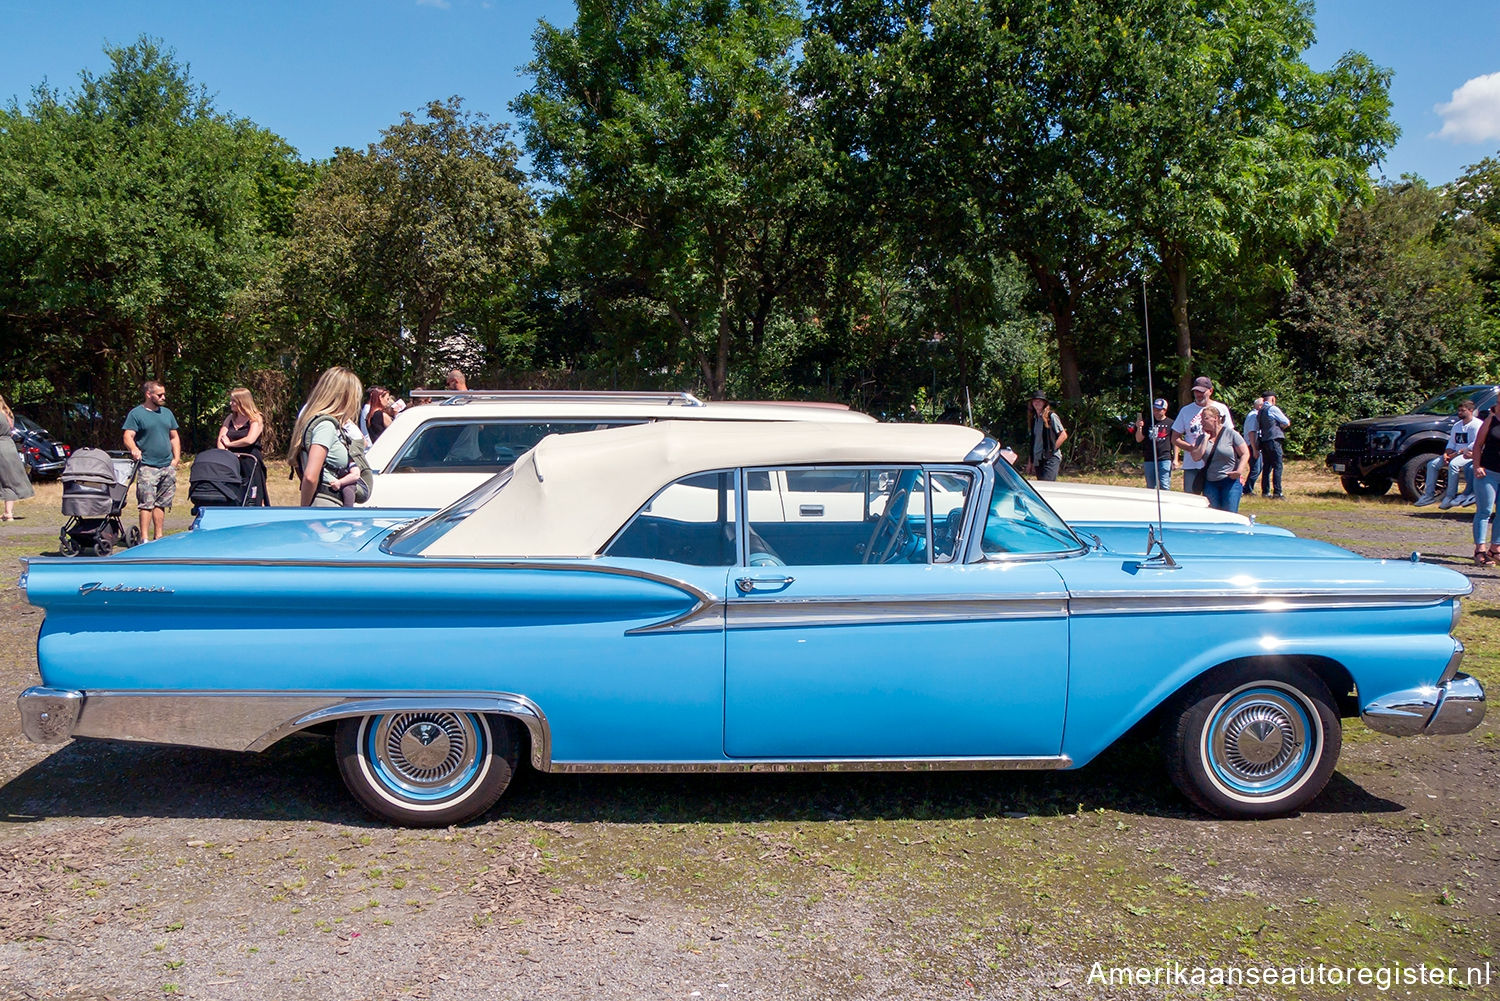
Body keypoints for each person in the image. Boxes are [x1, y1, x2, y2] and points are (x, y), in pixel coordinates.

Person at [288, 366, 364, 507]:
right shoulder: (326, 426)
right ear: (346, 397)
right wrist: (305, 510)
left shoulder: (313, 422)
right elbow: (311, 476)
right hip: (326, 503)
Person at [122, 380, 181, 541]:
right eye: (159, 395)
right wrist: (133, 449)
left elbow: (174, 437)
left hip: (167, 466)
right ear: (149, 394)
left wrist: (175, 459)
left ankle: (159, 536)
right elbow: (128, 436)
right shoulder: (136, 414)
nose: (163, 397)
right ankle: (144, 538)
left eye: (164, 394)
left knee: (161, 503)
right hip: (148, 466)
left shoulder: (167, 413)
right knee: (146, 503)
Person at [1171, 376, 1231, 495]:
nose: (1199, 395)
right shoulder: (1186, 411)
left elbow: (1230, 435)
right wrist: (1190, 448)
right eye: (1196, 392)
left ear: (1211, 391)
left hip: (1216, 464)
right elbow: (1175, 438)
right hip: (1192, 464)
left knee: (1212, 502)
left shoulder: (1221, 409)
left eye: (1202, 392)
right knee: (1191, 500)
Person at [1417, 398, 1481, 509]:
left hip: (1469, 454)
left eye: (1463, 410)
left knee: (1454, 465)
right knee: (1432, 464)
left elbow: (1475, 445)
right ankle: (1428, 495)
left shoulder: (1477, 425)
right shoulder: (1457, 426)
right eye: (1459, 410)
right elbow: (1452, 443)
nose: (1459, 413)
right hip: (1455, 453)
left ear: (1471, 410)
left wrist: (1456, 454)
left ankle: (1450, 496)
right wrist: (1446, 454)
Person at [1191, 404, 1251, 513]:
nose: (1202, 422)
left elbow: (1245, 453)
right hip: (1210, 482)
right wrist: (1205, 439)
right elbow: (1196, 457)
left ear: (1216, 419)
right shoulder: (1201, 438)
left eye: (1205, 418)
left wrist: (1239, 471)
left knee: (1230, 515)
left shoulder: (1230, 434)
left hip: (1230, 481)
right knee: (1213, 516)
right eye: (1201, 419)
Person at [216, 387, 269, 506]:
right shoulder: (230, 418)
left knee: (253, 493)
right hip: (231, 460)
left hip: (250, 460)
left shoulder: (255, 418)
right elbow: (221, 438)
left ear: (242, 402)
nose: (230, 403)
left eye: (233, 401)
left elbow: (250, 439)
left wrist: (230, 444)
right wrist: (225, 452)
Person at [1469, 396, 1500, 564]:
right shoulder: (1491, 420)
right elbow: (1478, 445)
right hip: (1487, 473)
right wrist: (1476, 466)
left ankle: (1495, 549)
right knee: (1484, 511)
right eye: (1499, 402)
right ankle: (1479, 549)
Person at [0, 393, 35, 521]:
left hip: (1, 447)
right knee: (8, 480)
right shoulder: (8, 414)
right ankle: (8, 513)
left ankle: (8, 513)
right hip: (9, 446)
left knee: (5, 481)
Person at [1133, 398, 1177, 489]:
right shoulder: (1148, 422)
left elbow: (1175, 441)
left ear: (1164, 410)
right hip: (1149, 458)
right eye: (1154, 409)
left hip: (1164, 458)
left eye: (1158, 410)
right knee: (1150, 486)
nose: (1156, 412)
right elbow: (1139, 439)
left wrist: (1176, 459)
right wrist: (1139, 428)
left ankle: (1165, 501)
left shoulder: (1171, 423)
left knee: (1164, 484)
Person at [1024, 390, 1067, 481]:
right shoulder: (1034, 419)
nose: (1037, 402)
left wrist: (1051, 450)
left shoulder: (1051, 416)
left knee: (1048, 484)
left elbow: (1063, 435)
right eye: (1035, 400)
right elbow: (1034, 442)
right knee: (1042, 486)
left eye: (1040, 400)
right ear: (1032, 403)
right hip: (1038, 459)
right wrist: (1030, 462)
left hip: (1051, 458)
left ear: (1044, 403)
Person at [1254, 392, 1291, 498]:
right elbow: (1286, 422)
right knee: (1278, 466)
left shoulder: (1260, 411)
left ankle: (1265, 492)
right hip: (1274, 440)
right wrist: (1280, 426)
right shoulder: (1273, 409)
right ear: (1273, 399)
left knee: (1267, 467)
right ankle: (1277, 492)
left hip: (1264, 441)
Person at [1241, 398, 1265, 491]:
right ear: (1259, 406)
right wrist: (1255, 449)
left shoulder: (1255, 415)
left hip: (1253, 445)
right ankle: (1248, 489)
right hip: (1251, 445)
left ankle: (1248, 487)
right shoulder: (1253, 416)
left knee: (1258, 468)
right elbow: (1252, 433)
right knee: (1255, 468)